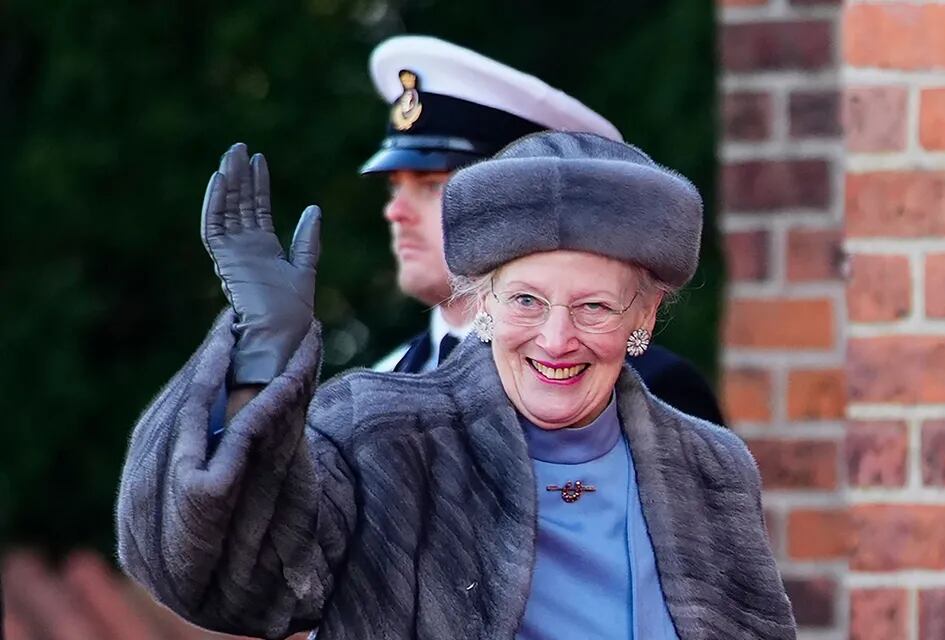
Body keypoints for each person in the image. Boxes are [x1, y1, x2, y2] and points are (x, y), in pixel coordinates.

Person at [116, 134, 794, 639]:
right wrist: (260, 360)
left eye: (595, 307)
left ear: (642, 316)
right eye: (526, 300)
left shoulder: (713, 469)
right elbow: (229, 581)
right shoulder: (380, 437)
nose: (557, 340)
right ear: (483, 304)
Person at [361, 36, 725, 425]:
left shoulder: (648, 392)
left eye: (434, 186)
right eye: (396, 186)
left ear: (530, 206)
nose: (396, 211)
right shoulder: (381, 382)